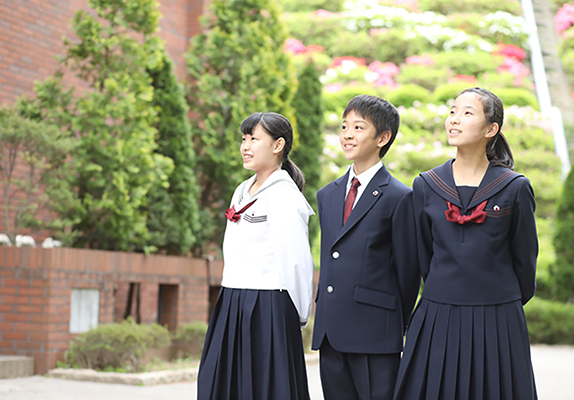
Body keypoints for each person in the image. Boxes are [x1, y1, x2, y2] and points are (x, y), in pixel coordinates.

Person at [394, 87, 538, 399]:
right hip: (438, 314)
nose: (454, 120)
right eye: (452, 112)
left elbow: (525, 260)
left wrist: (501, 300)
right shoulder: (426, 185)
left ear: (491, 129)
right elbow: (422, 256)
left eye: (467, 113)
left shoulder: (514, 188)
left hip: (498, 316)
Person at [197, 112, 314, 400]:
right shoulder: (242, 190)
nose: (245, 146)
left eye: (254, 139)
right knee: (222, 384)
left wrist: (298, 315)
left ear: (277, 146)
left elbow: (297, 262)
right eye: (243, 138)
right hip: (232, 300)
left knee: (264, 388)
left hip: (268, 306)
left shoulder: (285, 196)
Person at [311, 94, 421, 399]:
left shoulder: (400, 197)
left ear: (382, 137)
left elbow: (409, 273)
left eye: (358, 127)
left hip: (375, 333)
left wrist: (394, 323)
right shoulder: (327, 195)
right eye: (344, 126)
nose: (347, 134)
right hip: (331, 331)